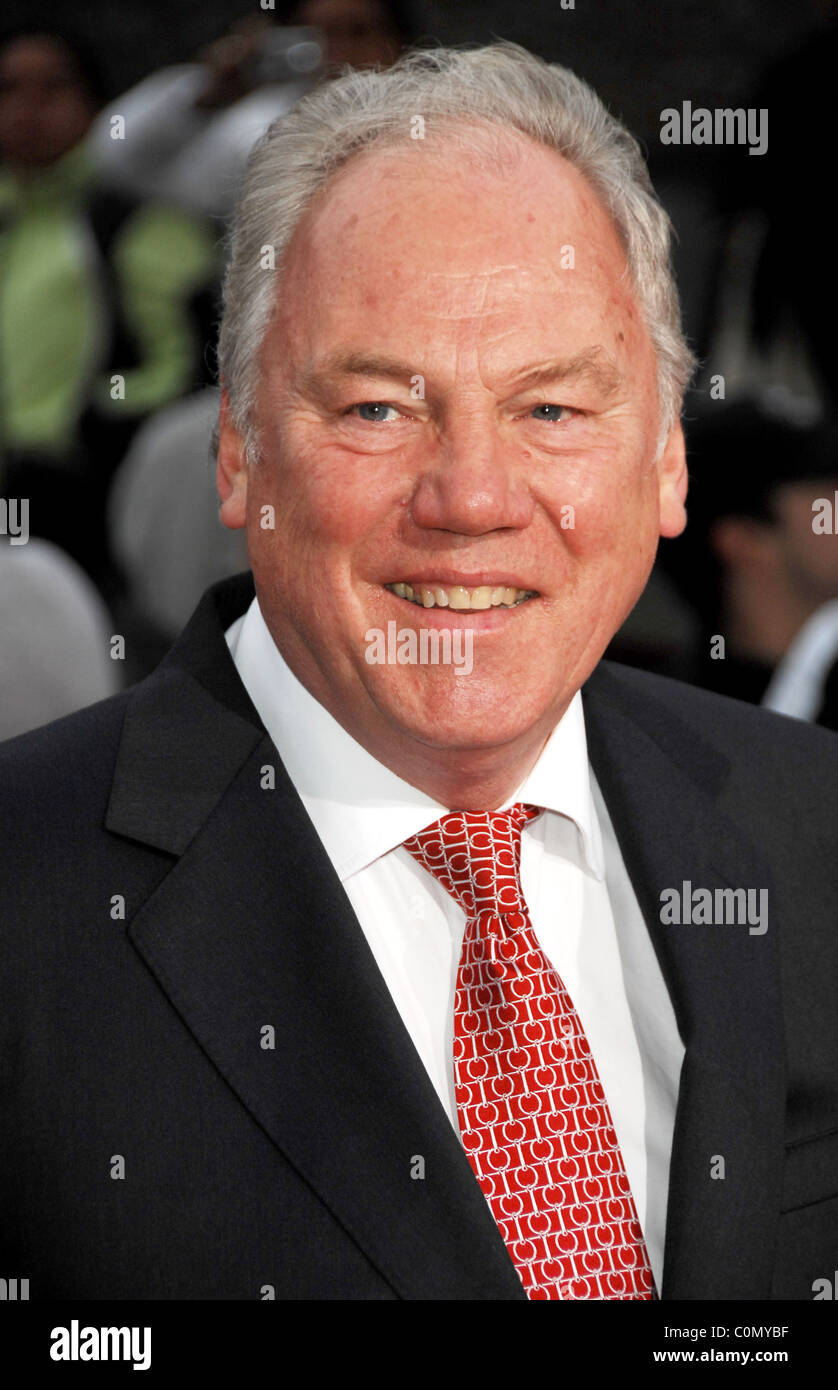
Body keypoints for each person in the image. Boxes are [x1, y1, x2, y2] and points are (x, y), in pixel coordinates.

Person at [1, 42, 836, 1302]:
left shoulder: (815, 824)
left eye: (552, 408)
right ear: (236, 452)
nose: (473, 499)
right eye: (377, 410)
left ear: (666, 463)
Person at [0, 25, 220, 585]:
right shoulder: (11, 219)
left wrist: (98, 421)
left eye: (52, 90)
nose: (28, 110)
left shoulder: (136, 222)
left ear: (98, 106)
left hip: (83, 497)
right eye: (9, 89)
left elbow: (195, 365)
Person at [88, 0, 420, 221]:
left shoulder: (438, 121)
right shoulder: (254, 135)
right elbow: (114, 159)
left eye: (358, 32)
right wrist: (203, 96)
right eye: (315, 37)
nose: (337, 53)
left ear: (402, 42)